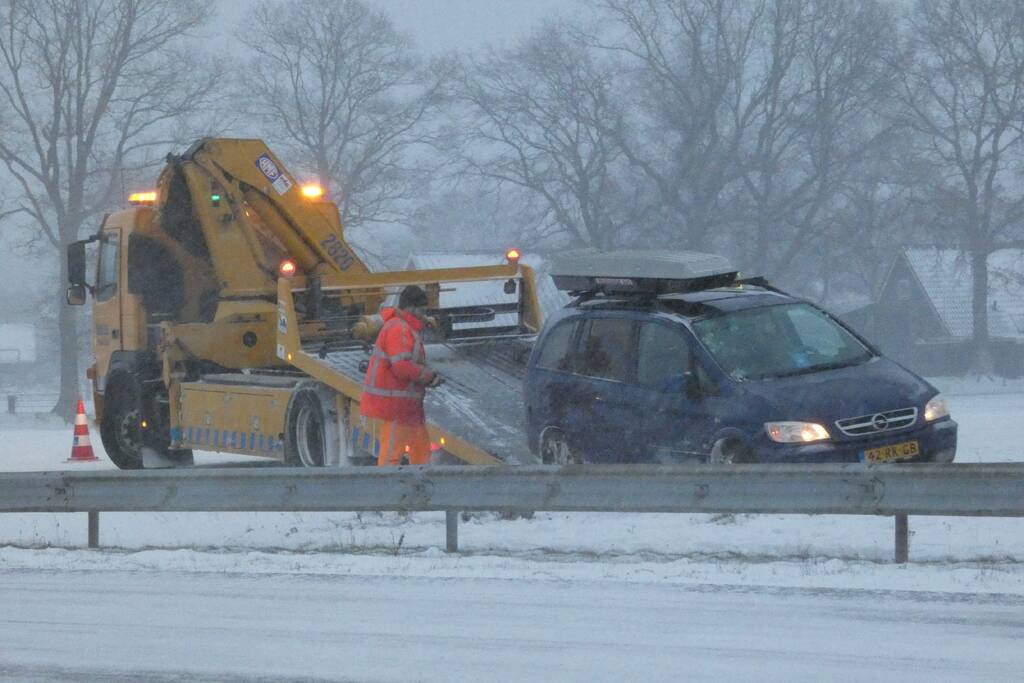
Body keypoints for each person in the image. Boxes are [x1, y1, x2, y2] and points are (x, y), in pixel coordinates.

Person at [360, 285, 441, 466]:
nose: (424, 314)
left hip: (409, 408)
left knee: (421, 455)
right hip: (397, 407)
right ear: (411, 308)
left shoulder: (405, 328)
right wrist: (427, 376)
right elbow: (401, 367)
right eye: (422, 310)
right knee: (392, 458)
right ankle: (389, 489)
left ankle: (421, 488)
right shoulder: (399, 329)